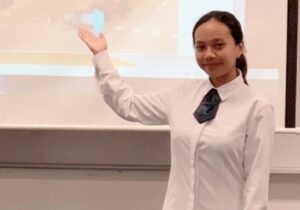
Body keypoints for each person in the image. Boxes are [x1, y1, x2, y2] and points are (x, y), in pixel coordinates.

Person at [78, 10, 275, 210]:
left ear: (239, 47)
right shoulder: (183, 95)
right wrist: (101, 57)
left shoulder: (257, 108)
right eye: (200, 47)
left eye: (218, 45)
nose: (208, 54)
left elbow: (256, 183)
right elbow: (128, 105)